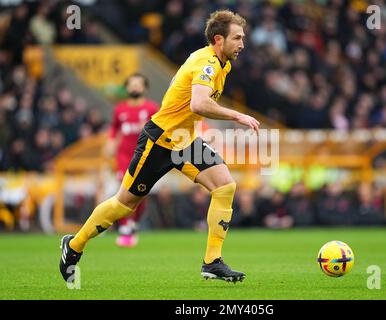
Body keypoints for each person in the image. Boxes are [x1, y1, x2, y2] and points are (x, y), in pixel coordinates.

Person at [59, 10, 259, 283]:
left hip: (183, 140)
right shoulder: (207, 64)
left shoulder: (222, 64)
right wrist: (237, 115)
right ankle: (73, 245)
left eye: (243, 38)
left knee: (225, 186)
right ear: (218, 39)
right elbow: (198, 104)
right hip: (159, 140)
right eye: (237, 38)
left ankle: (212, 262)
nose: (242, 44)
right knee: (124, 204)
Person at [106, 73, 159, 247]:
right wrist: (110, 143)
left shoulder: (152, 108)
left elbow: (160, 129)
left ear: (145, 88)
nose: (135, 87)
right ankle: (124, 228)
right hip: (124, 156)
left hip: (145, 157)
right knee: (124, 190)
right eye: (132, 84)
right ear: (127, 88)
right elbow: (114, 129)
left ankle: (133, 224)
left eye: (139, 84)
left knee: (141, 194)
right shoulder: (119, 109)